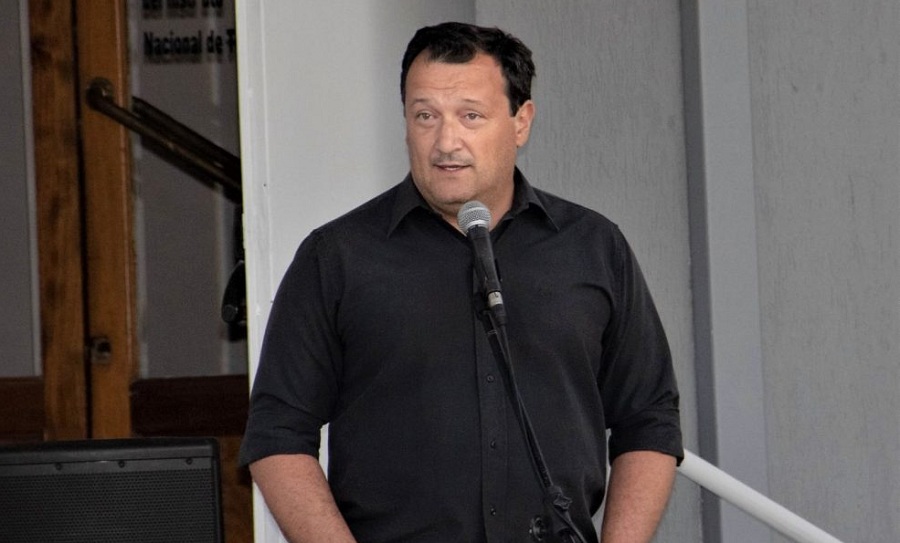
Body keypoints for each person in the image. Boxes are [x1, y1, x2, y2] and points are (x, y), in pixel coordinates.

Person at [240, 21, 683, 543]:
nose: (445, 142)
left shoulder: (593, 247)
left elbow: (648, 419)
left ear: (521, 122)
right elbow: (277, 435)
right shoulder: (336, 257)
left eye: (471, 116)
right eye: (425, 116)